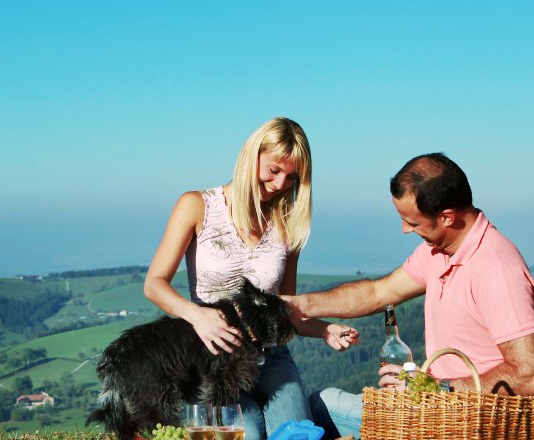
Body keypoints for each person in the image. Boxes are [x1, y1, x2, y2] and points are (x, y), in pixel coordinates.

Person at [284, 152, 534, 439]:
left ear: (447, 217)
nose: (405, 230)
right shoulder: (438, 251)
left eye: (413, 223)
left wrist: (439, 389)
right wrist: (300, 304)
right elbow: (379, 292)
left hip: (471, 422)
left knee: (320, 408)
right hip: (431, 411)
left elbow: (529, 373)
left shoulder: (495, 269)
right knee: (321, 403)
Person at [143, 117, 359, 440]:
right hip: (216, 359)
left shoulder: (288, 226)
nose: (280, 184)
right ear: (251, 154)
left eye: (291, 177)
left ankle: (314, 410)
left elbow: (285, 309)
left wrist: (325, 329)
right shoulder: (196, 206)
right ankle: (318, 412)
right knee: (249, 434)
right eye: (273, 170)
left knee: (297, 435)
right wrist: (197, 316)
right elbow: (154, 284)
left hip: (272, 358)